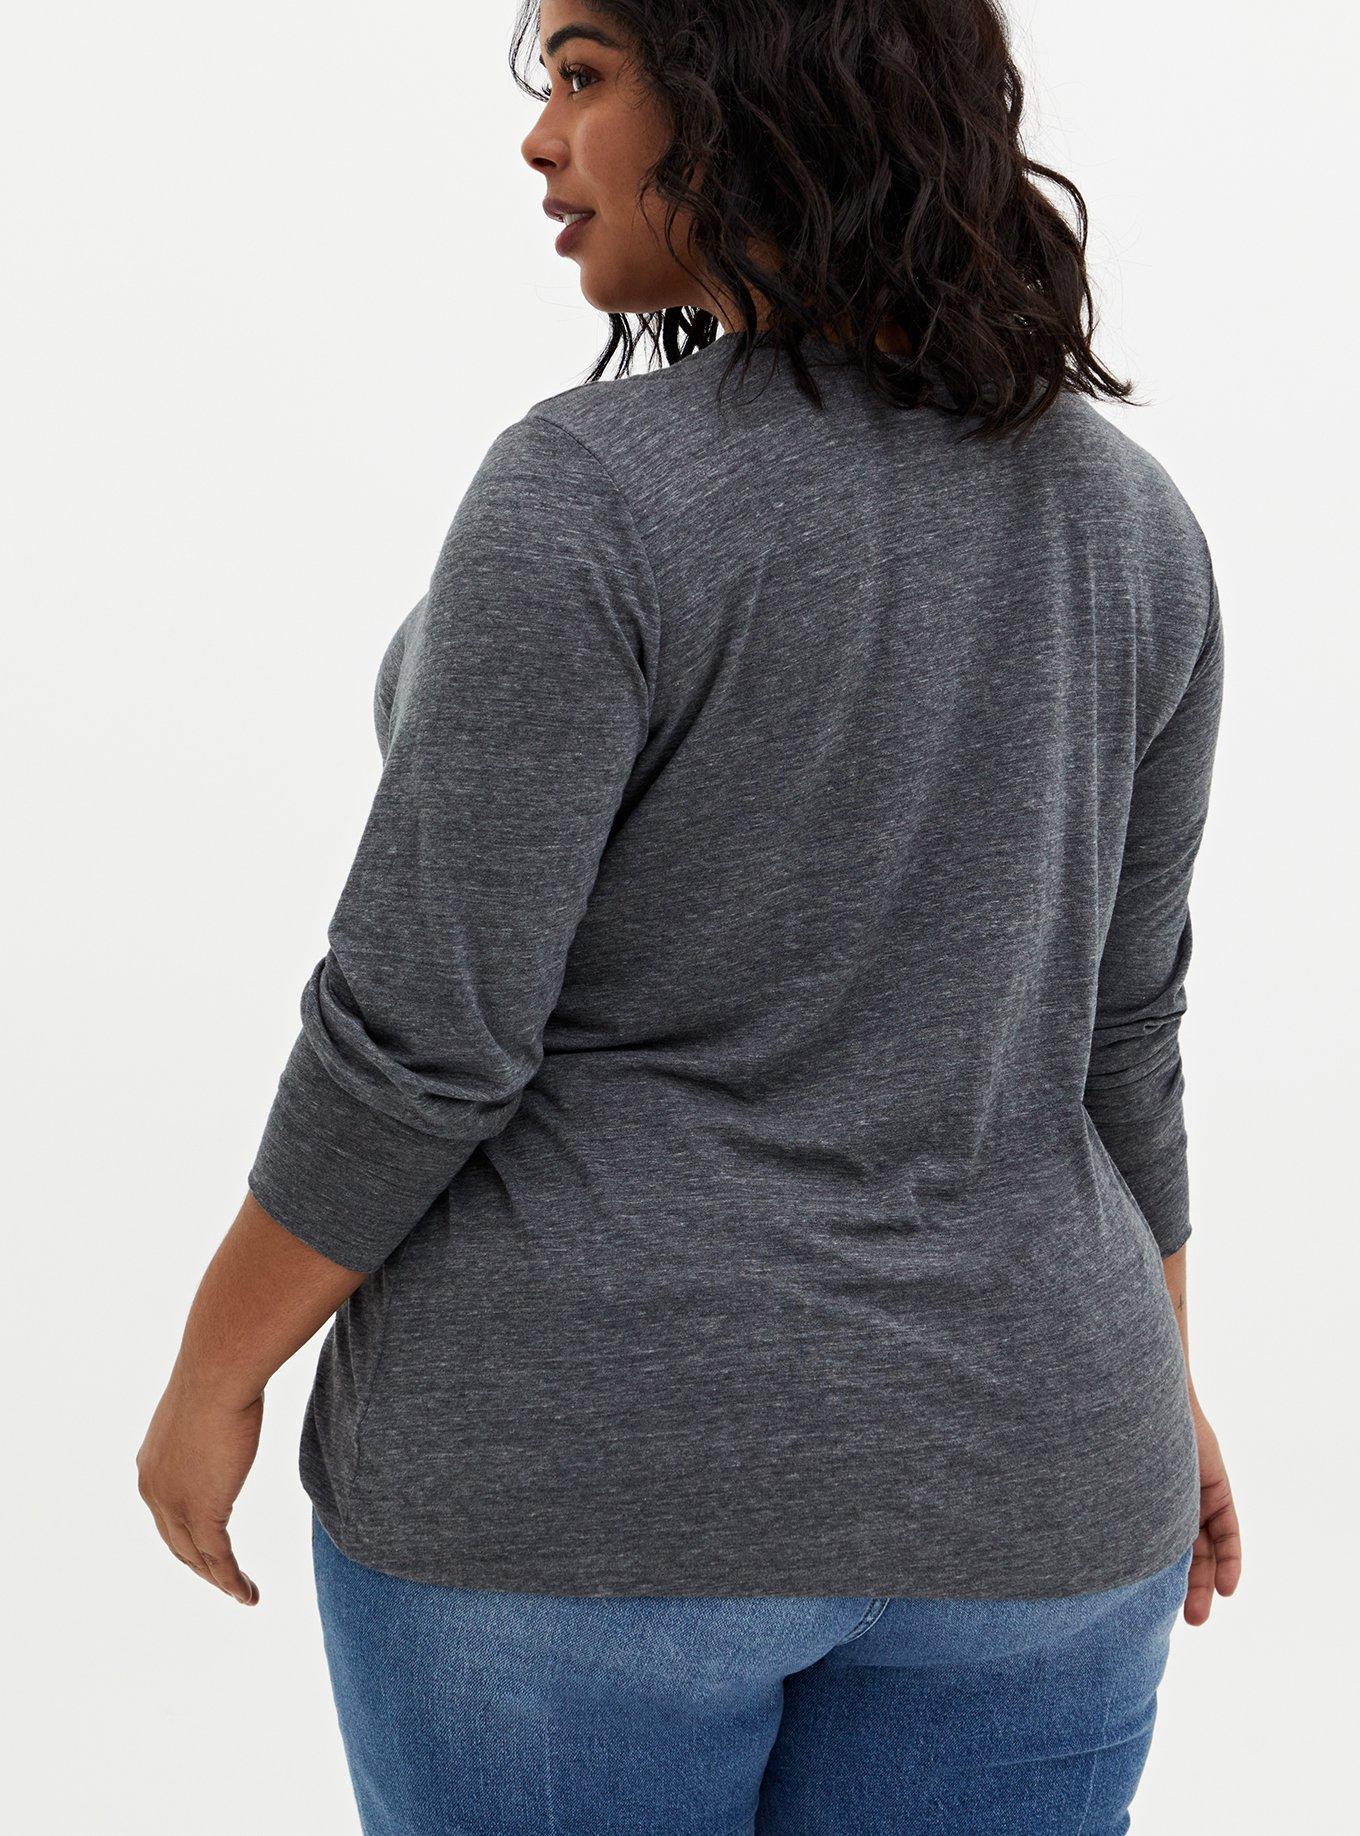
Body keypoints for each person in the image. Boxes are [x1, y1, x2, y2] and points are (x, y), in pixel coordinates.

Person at [136, 1, 1242, 1829]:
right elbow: (1123, 1032)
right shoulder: (1135, 524)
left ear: (748, 98)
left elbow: (424, 1038)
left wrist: (214, 1366)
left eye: (584, 76)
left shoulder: (589, 494)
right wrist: (1158, 1384)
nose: (539, 136)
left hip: (580, 1488)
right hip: (1040, 1475)